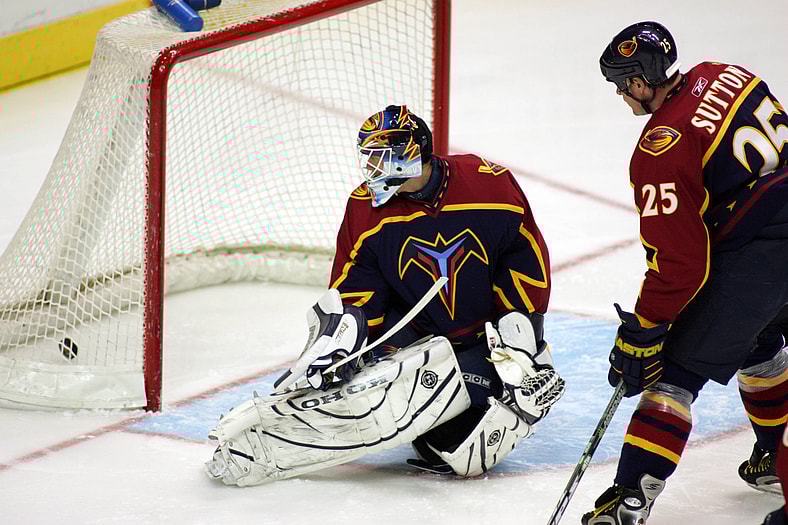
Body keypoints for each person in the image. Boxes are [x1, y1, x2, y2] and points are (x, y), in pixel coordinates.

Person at [204, 105, 566, 485]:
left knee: (461, 447)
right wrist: (343, 340)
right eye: (369, 158)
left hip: (478, 340)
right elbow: (356, 285)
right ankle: (269, 444)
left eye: (381, 157)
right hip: (410, 336)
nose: (372, 169)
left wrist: (520, 342)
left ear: (412, 152)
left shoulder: (488, 186)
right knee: (369, 407)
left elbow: (523, 258)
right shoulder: (365, 208)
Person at [582, 21, 788, 525]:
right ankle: (773, 456)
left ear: (638, 81)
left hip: (764, 254)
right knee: (758, 342)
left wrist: (646, 328)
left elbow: (681, 263)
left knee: (673, 377)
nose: (620, 95)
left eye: (619, 84)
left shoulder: (660, 147)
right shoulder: (725, 73)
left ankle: (627, 498)